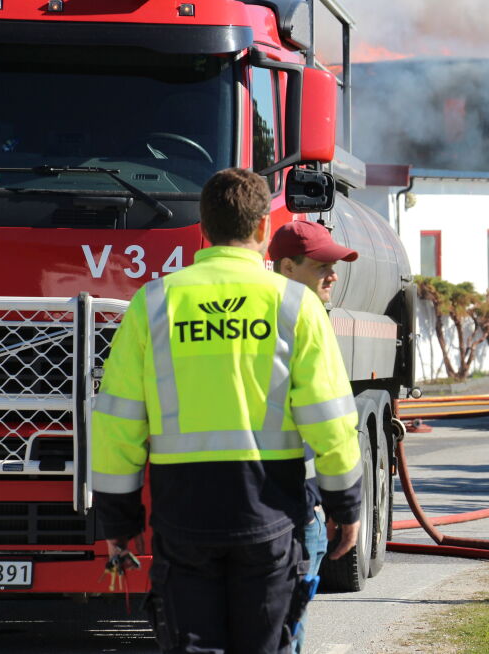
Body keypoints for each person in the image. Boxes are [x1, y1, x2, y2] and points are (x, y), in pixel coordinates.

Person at [91, 168, 362, 654]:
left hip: (183, 517)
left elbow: (117, 423)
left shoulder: (153, 304)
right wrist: (346, 506)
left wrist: (118, 524)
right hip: (270, 516)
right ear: (263, 230)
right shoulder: (294, 305)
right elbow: (330, 420)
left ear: (203, 228)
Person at [268, 219, 359, 654]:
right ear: (287, 267)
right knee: (285, 634)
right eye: (322, 264)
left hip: (236, 507)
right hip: (295, 509)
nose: (333, 274)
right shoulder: (302, 323)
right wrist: (345, 505)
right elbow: (332, 426)